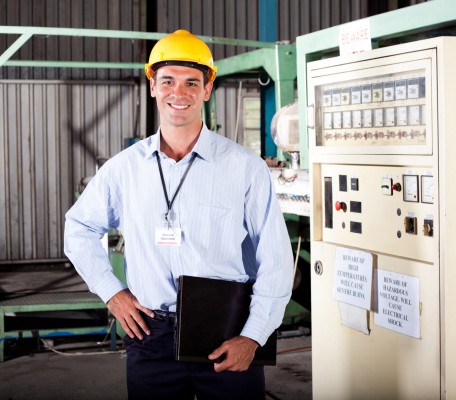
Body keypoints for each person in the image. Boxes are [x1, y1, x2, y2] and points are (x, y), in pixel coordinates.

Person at [64, 29, 294, 400]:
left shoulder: (244, 168)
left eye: (191, 82)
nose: (179, 93)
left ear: (206, 89)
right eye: (167, 81)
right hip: (148, 333)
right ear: (153, 86)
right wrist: (112, 293)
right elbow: (78, 228)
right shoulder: (124, 169)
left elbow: (277, 260)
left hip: (227, 328)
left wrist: (254, 335)